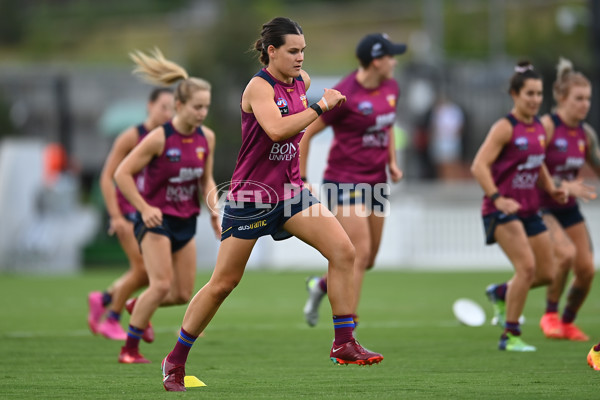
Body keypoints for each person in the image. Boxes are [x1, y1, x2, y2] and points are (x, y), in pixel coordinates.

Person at [160, 17, 384, 392]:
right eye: (293, 51)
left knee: (345, 251)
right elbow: (277, 130)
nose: (300, 58)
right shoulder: (257, 88)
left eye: (303, 51)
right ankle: (175, 359)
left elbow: (296, 127)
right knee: (223, 283)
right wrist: (321, 108)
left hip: (292, 193)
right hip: (252, 198)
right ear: (271, 51)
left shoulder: (303, 82)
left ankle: (344, 342)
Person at [113, 48, 220, 363]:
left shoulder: (207, 138)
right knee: (160, 285)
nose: (202, 113)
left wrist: (214, 211)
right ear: (179, 105)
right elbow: (122, 174)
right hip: (155, 220)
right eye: (197, 107)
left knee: (182, 294)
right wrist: (143, 208)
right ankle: (128, 350)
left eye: (206, 108)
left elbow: (206, 180)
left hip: (186, 219)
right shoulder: (159, 138)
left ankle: (137, 305)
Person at [299, 33, 404, 329]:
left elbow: (388, 126)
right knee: (358, 251)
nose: (395, 62)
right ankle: (348, 333)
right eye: (391, 57)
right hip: (343, 180)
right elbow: (307, 132)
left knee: (367, 259)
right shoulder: (345, 94)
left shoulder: (391, 87)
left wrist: (392, 162)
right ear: (376, 60)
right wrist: (303, 178)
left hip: (377, 183)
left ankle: (320, 285)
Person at [470, 61, 567, 352]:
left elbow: (537, 164)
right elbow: (478, 166)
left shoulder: (539, 127)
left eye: (539, 94)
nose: (536, 99)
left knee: (547, 274)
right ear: (515, 94)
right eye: (530, 94)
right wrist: (498, 197)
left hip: (528, 209)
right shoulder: (505, 127)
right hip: (500, 210)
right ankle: (509, 336)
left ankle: (501, 292)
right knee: (526, 268)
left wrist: (550, 188)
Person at [88, 87, 174, 341]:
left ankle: (103, 299)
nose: (168, 113)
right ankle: (113, 318)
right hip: (128, 212)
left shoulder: (168, 137)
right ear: (150, 106)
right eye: (164, 107)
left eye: (172, 108)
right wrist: (115, 216)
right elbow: (107, 177)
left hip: (151, 214)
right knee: (142, 270)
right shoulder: (132, 136)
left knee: (148, 272)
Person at [538, 58, 599, 341]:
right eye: (578, 98)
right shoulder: (548, 127)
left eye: (587, 98)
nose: (585, 104)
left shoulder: (586, 134)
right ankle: (549, 315)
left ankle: (567, 321)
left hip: (567, 207)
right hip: (540, 205)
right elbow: (528, 166)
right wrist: (563, 184)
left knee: (587, 269)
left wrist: (569, 189)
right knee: (565, 254)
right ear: (561, 98)